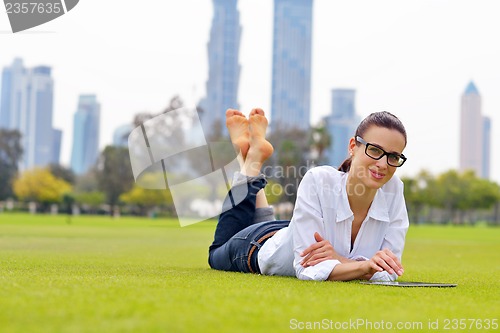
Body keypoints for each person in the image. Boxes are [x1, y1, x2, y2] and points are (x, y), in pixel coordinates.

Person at [208, 108, 409, 281]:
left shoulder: (394, 189)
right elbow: (308, 269)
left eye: (393, 156)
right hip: (259, 245)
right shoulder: (319, 179)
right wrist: (363, 267)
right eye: (374, 150)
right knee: (216, 253)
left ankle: (250, 158)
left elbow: (389, 271)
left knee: (286, 234)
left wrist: (339, 260)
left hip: (291, 232)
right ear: (352, 147)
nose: (383, 164)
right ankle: (251, 158)